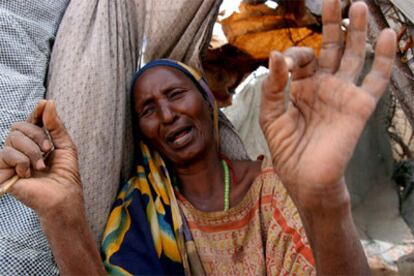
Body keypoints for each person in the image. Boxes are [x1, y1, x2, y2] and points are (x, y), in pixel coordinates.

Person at [0, 0, 397, 274]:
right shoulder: (142, 206)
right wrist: (63, 214)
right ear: (143, 134)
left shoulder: (270, 191)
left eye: (175, 95)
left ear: (208, 101)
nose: (168, 115)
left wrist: (327, 203)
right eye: (148, 110)